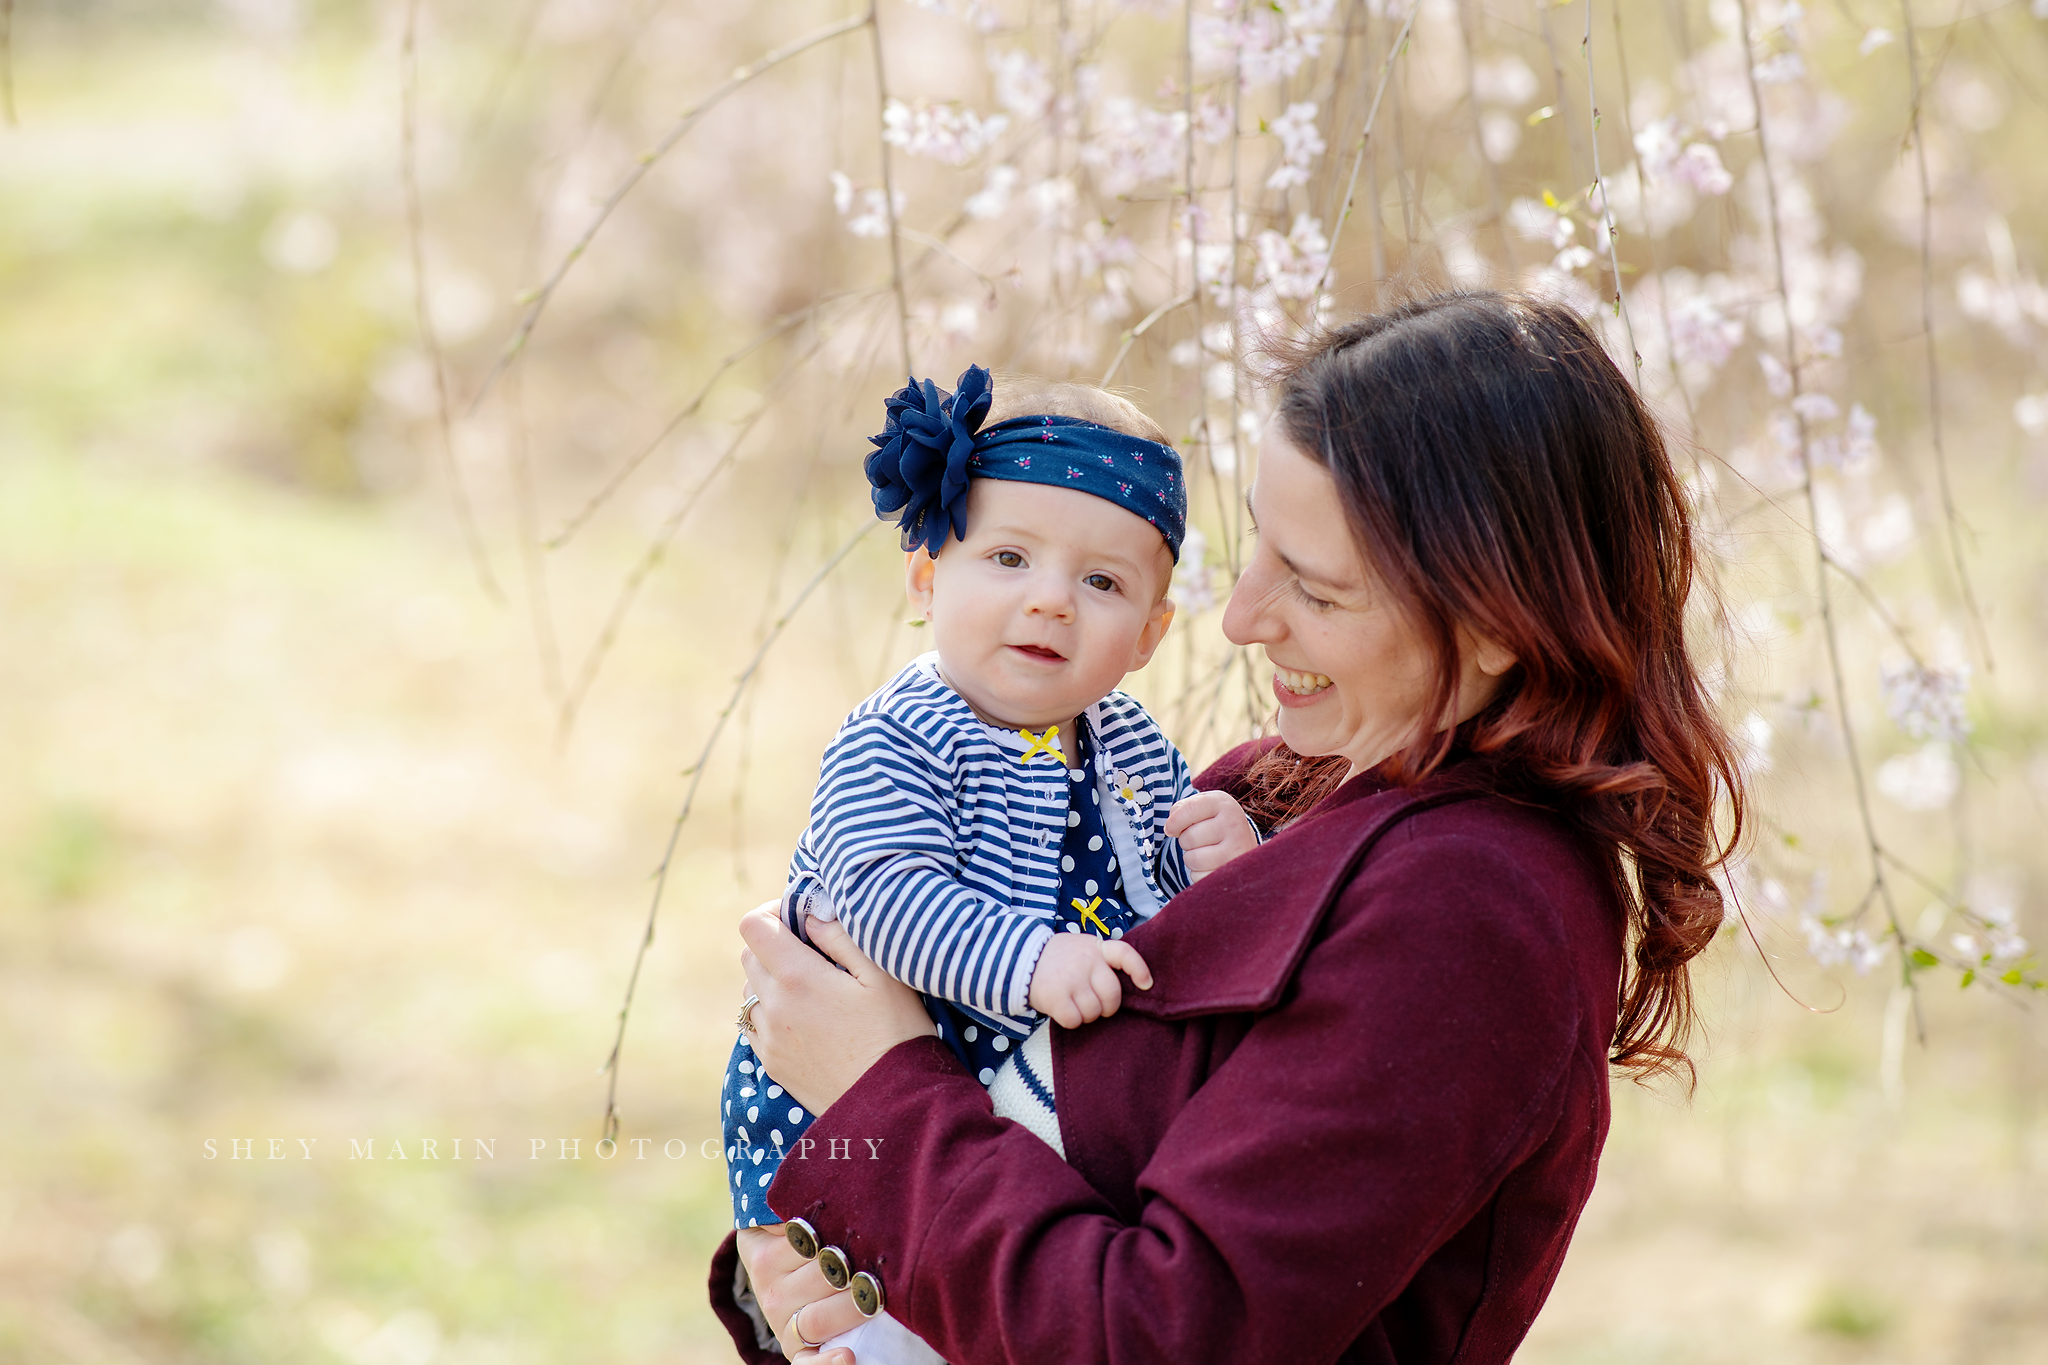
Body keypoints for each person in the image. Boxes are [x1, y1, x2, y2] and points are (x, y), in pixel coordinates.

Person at [713, 289, 1745, 1364]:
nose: (1241, 617)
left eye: (1316, 588)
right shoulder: (1271, 786)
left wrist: (876, 1098)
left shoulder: (1469, 915)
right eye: (1259, 545)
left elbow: (1167, 1336)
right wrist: (807, 1263)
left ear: (1493, 626)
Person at [720, 366, 1263, 1359]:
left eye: (1100, 583)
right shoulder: (902, 734)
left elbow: (1149, 906)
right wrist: (1028, 962)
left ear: (1147, 635)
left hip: (987, 1118)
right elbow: (881, 898)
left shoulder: (1128, 744)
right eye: (1008, 558)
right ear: (928, 575)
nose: (1049, 603)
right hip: (833, 1113)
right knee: (885, 1335)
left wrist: (1221, 863)